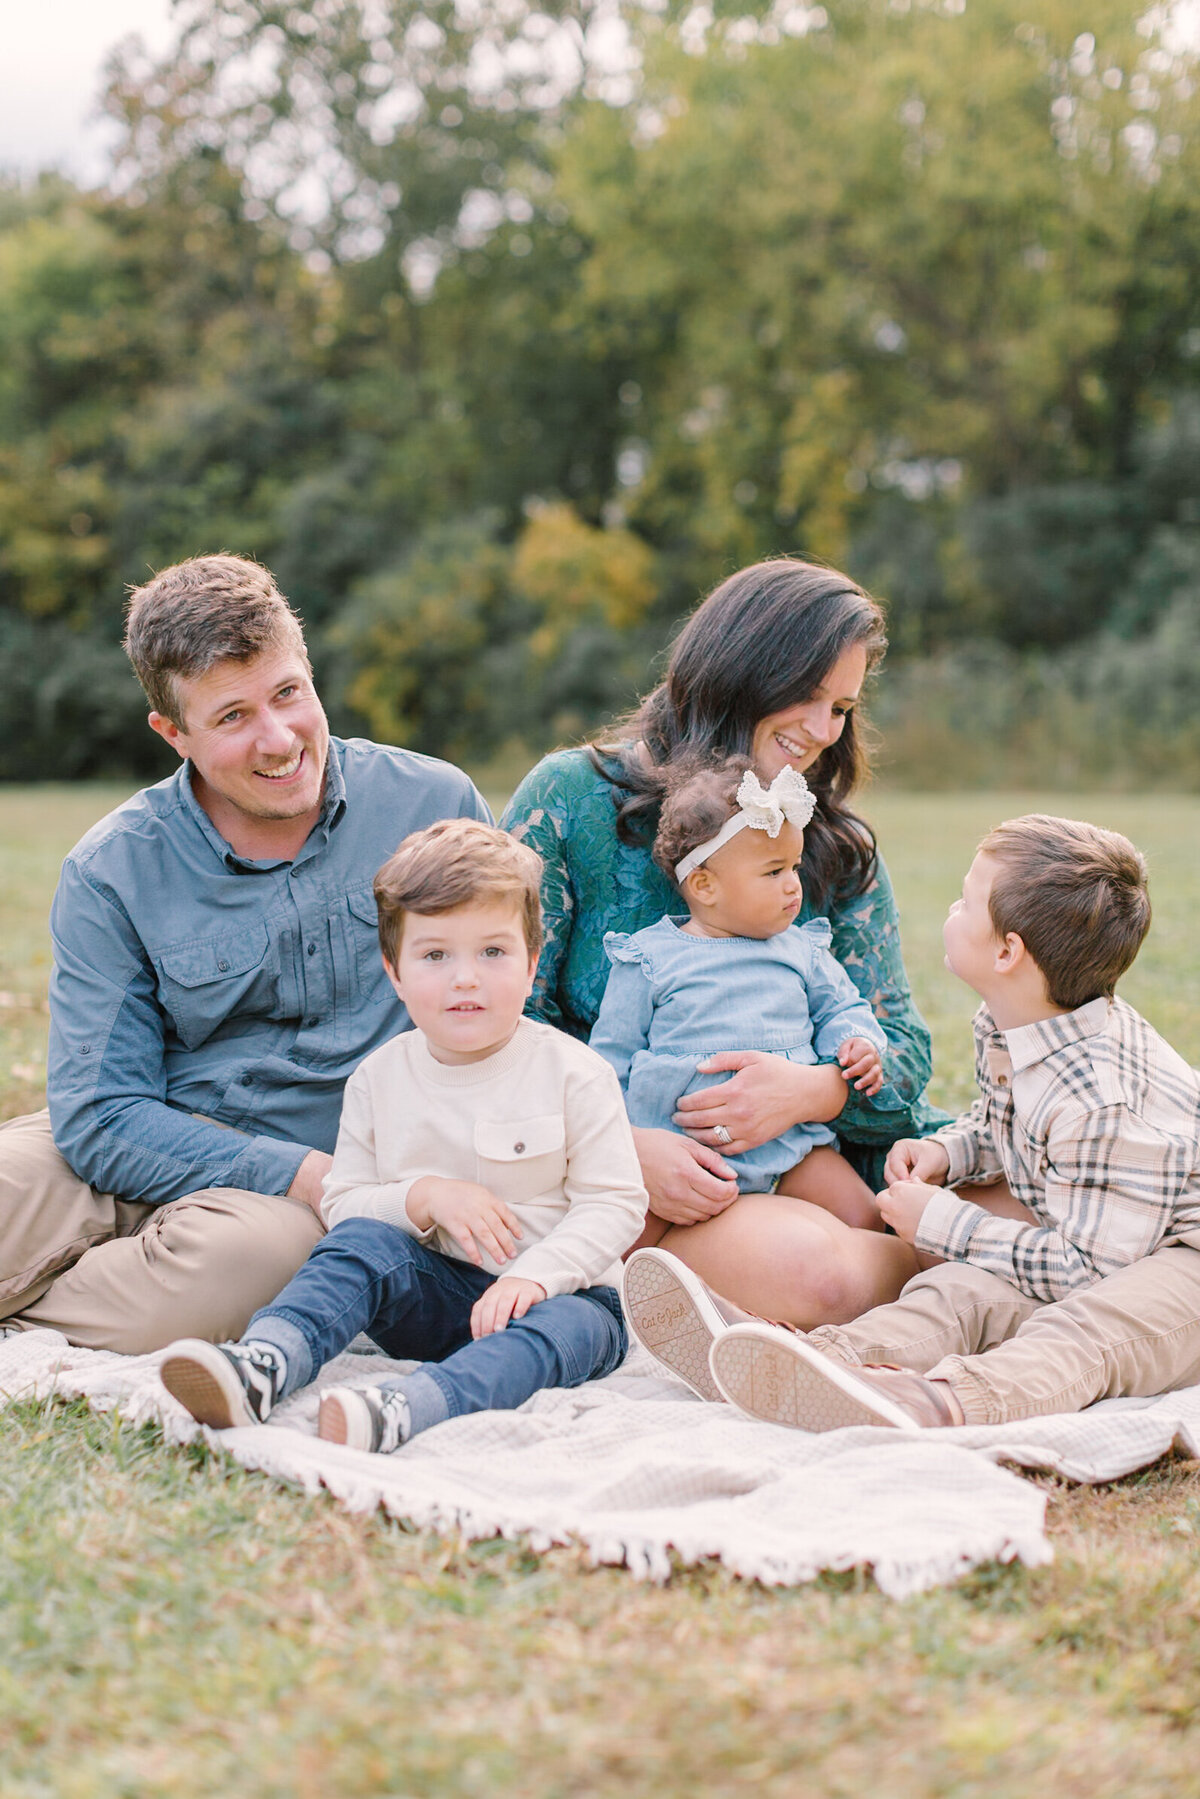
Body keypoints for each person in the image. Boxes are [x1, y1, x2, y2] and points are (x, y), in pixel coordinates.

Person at [0, 555, 490, 1353]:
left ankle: (34, 1313)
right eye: (232, 717)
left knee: (230, 1272)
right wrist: (287, 1170)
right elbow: (99, 1112)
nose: (279, 738)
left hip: (304, 1196)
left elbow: (511, 1005)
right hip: (148, 1132)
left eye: (288, 693)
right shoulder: (112, 866)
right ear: (173, 733)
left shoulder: (434, 806)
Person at [629, 815, 1200, 1431]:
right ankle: (809, 1362)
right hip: (1113, 1240)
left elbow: (1090, 1275)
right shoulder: (1025, 1024)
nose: (953, 908)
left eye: (967, 901)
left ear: (1008, 952)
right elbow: (1007, 1123)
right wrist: (950, 1154)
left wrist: (947, 1221)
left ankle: (937, 1402)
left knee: (1084, 1332)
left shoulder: (1099, 1101)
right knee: (956, 1291)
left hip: (1176, 1259)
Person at [503, 557, 941, 1325]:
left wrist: (812, 1089)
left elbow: (900, 1045)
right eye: (806, 694)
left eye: (840, 706)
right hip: (646, 1169)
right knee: (824, 1274)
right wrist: (621, 1146)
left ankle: (944, 1266)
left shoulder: (826, 841)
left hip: (817, 1149)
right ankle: (941, 1276)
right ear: (737, 670)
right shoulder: (570, 799)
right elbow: (500, 1024)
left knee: (1032, 1198)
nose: (821, 729)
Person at [158, 819, 646, 1452]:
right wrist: (422, 1197)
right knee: (361, 1242)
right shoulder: (379, 1078)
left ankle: (408, 1407)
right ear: (395, 972)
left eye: (492, 952)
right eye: (435, 955)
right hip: (436, 1294)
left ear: (532, 964)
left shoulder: (573, 1071)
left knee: (568, 1329)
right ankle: (265, 1362)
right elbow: (342, 1201)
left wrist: (537, 1275)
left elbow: (616, 1202)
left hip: (563, 1297)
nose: (464, 978)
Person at [590, 757, 890, 1230]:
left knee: (866, 1218)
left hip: (793, 1149)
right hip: (684, 1160)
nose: (794, 884)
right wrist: (625, 1145)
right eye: (773, 872)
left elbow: (843, 1007)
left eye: (794, 865)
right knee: (623, 1242)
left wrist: (855, 1043)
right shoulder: (649, 958)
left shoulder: (802, 950)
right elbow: (610, 1061)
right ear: (705, 885)